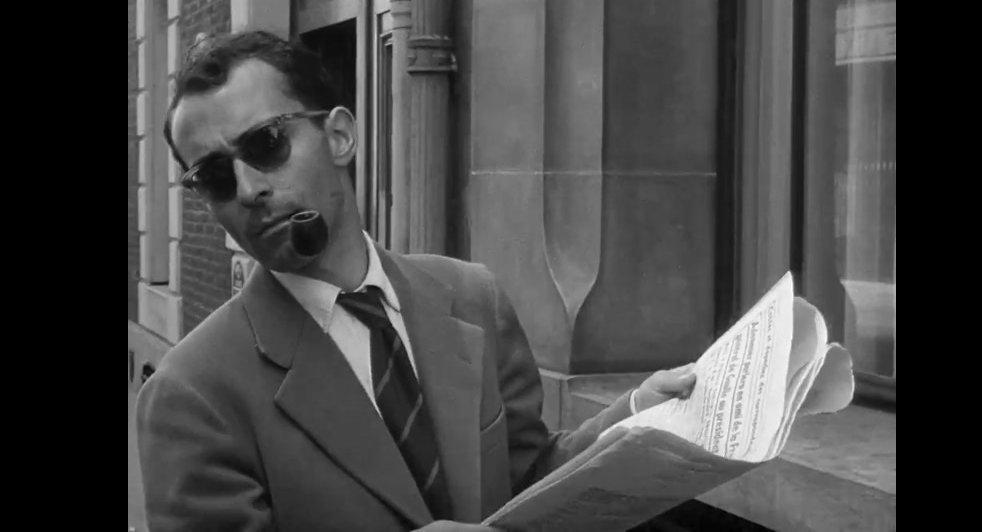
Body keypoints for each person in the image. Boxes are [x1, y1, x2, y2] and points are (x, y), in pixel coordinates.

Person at [136, 30, 697, 532]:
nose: (248, 189)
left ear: (339, 136)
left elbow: (528, 479)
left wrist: (634, 418)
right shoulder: (192, 394)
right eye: (214, 176)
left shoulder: (472, 298)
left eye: (266, 144)